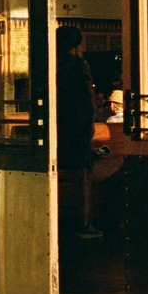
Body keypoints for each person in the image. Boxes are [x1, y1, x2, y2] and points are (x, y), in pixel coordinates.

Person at [56, 25, 100, 238]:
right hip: (77, 124)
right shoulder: (79, 64)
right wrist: (91, 120)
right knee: (84, 173)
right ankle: (84, 222)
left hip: (57, 125)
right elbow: (89, 94)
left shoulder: (49, 64)